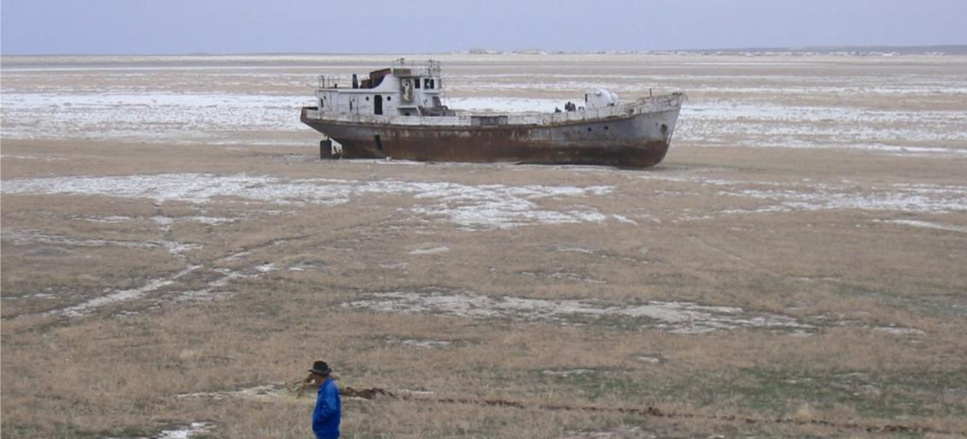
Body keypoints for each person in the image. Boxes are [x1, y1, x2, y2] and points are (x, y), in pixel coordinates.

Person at [308, 361, 341, 439]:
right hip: (324, 431)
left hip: (327, 431)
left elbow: (330, 408)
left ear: (318, 375)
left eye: (314, 374)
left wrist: (318, 418)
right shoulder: (326, 387)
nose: (313, 377)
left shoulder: (329, 388)